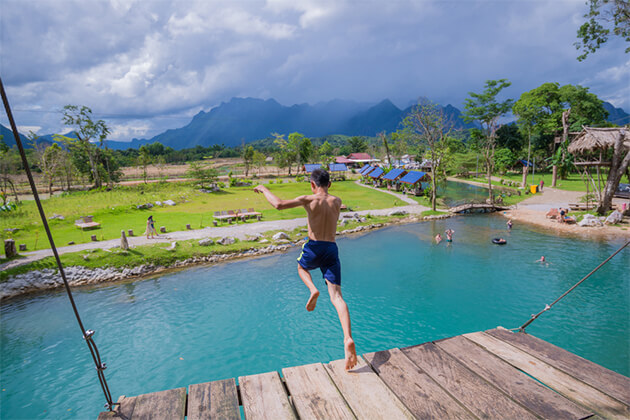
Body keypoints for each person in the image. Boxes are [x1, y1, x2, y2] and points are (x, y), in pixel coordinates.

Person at [254, 169, 357, 370]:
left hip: (314, 246)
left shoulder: (308, 199)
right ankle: (347, 338)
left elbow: (278, 204)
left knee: (301, 267)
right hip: (331, 248)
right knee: (337, 297)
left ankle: (312, 289)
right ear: (330, 184)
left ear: (312, 184)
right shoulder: (337, 200)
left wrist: (264, 188)